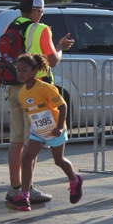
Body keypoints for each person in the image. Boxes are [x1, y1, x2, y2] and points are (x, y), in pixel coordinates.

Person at [5, 0, 74, 209]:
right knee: (30, 142)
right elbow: (52, 61)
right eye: (41, 11)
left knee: (16, 140)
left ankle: (15, 188)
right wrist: (61, 47)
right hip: (35, 90)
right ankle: (29, 189)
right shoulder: (41, 29)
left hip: (14, 87)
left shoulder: (11, 26)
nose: (41, 15)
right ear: (36, 11)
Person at [12, 54, 83, 211]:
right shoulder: (22, 93)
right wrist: (34, 127)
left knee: (59, 160)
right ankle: (24, 197)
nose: (21, 73)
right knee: (26, 159)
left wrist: (59, 127)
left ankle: (75, 180)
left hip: (55, 130)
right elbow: (31, 113)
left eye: (24, 70)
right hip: (37, 132)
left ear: (35, 70)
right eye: (18, 70)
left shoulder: (44, 87)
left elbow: (63, 106)